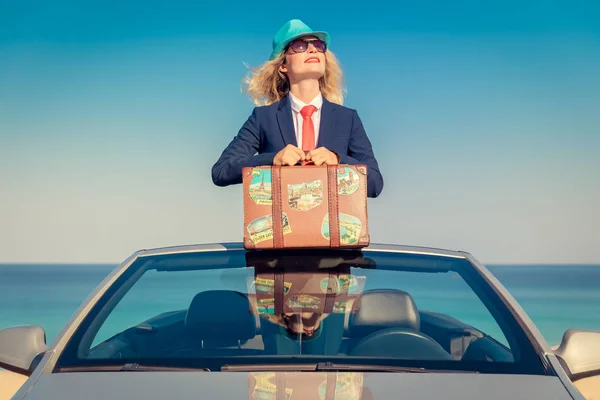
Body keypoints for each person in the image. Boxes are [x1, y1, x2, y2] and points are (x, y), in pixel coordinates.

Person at [211, 19, 384, 198]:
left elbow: (375, 184)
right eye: (299, 46)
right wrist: (272, 160)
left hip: (333, 224)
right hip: (281, 224)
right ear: (283, 65)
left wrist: (338, 160)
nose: (312, 49)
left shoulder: (348, 119)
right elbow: (221, 170)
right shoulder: (263, 118)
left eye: (318, 45)